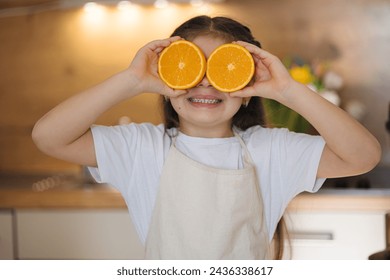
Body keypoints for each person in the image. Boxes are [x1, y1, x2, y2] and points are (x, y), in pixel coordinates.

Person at [32, 15, 381, 259]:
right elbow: (49, 137)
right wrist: (131, 80)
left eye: (222, 69)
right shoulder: (140, 149)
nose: (205, 83)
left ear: (246, 89)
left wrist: (289, 90)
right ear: (167, 79)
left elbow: (362, 156)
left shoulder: (270, 151)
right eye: (191, 67)